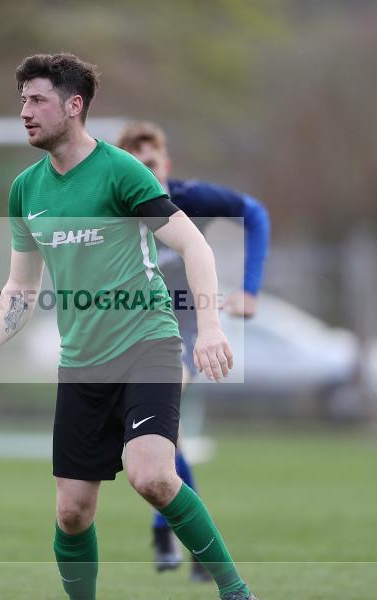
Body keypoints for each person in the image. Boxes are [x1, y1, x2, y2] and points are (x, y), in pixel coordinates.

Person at [0, 53, 256, 600]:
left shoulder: (120, 171)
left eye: (37, 100)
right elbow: (21, 286)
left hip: (148, 345)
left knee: (154, 477)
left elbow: (193, 244)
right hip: (81, 362)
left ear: (75, 105)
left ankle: (235, 592)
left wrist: (209, 328)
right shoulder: (25, 190)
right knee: (71, 512)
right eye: (22, 100)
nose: (25, 111)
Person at [117, 122, 270, 581]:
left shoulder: (191, 199)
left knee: (165, 418)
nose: (147, 170)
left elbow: (255, 213)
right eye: (136, 163)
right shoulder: (116, 205)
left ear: (166, 165)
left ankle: (171, 530)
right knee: (167, 436)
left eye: (153, 162)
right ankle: (175, 529)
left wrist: (250, 290)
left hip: (180, 327)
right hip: (133, 329)